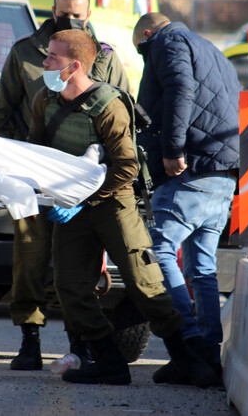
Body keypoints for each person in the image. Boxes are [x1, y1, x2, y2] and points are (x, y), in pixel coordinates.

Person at [28, 29, 216, 387]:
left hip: (113, 203)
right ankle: (110, 363)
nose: (45, 63)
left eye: (53, 57)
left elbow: (126, 167)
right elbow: (38, 152)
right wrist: (41, 193)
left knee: (144, 283)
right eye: (46, 55)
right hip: (70, 207)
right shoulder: (44, 99)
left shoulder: (109, 104)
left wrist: (84, 199)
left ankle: (188, 360)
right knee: (70, 288)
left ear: (75, 65)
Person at [0, 0, 130, 370]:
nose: (71, 20)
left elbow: (122, 112)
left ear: (89, 15)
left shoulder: (104, 58)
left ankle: (79, 342)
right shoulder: (26, 52)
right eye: (64, 13)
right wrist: (11, 164)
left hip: (82, 182)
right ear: (52, 11)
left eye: (78, 15)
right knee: (30, 258)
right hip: (34, 174)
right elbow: (2, 112)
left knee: (78, 266)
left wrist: (99, 180)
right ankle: (29, 339)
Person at [132, 13, 240, 380]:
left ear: (147, 34)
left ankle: (189, 344)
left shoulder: (168, 43)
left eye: (141, 50)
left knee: (159, 250)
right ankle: (208, 356)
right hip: (223, 173)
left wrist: (171, 149)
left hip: (188, 169)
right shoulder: (215, 50)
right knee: (202, 266)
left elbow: (180, 89)